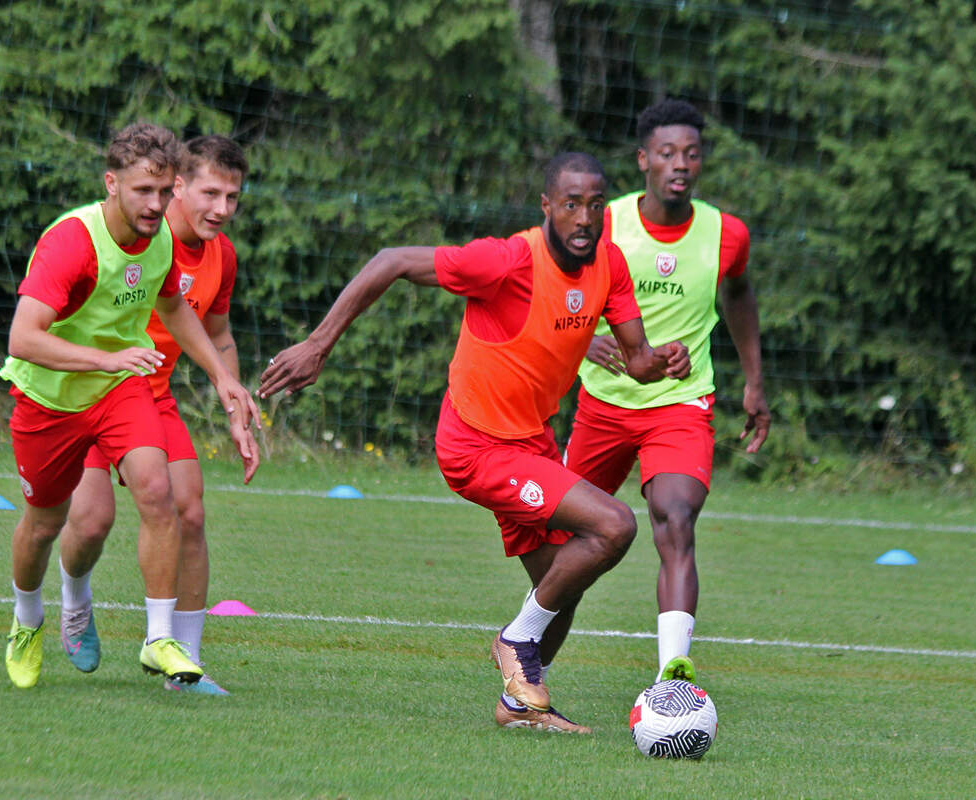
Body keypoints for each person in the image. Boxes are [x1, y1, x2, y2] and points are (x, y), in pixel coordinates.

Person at [258, 152, 690, 733]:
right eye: (570, 205)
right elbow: (390, 261)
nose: (584, 218)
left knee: (563, 581)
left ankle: (520, 704)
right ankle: (514, 640)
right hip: (475, 447)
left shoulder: (608, 264)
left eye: (594, 206)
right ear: (546, 208)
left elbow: (637, 363)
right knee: (614, 526)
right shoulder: (506, 259)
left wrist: (663, 363)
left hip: (531, 443)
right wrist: (318, 345)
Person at [0, 122, 260, 690]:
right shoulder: (73, 241)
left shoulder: (166, 239)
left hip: (123, 389)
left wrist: (224, 381)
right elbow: (22, 338)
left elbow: (177, 310)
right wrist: (104, 359)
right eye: (145, 191)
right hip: (50, 397)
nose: (157, 204)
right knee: (51, 525)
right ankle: (29, 619)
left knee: (161, 492)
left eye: (164, 192)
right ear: (111, 184)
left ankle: (161, 641)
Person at [564, 99, 770, 687]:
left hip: (680, 404)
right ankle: (530, 671)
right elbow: (555, 289)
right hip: (602, 403)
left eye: (691, 153)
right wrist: (581, 344)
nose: (680, 164)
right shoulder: (604, 224)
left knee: (675, 516)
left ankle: (673, 679)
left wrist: (754, 380)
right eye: (666, 153)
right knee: (565, 542)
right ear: (642, 161)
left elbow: (739, 294)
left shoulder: (726, 233)